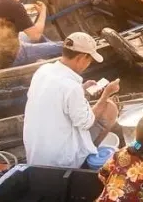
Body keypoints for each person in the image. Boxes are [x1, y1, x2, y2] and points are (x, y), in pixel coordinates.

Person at [23, 32, 120, 169]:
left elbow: (56, 94)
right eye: (89, 60)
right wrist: (106, 94)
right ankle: (86, 162)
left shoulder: (43, 70)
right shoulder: (71, 87)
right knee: (110, 108)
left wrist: (82, 88)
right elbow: (87, 123)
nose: (88, 64)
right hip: (60, 160)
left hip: (36, 153)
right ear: (81, 58)